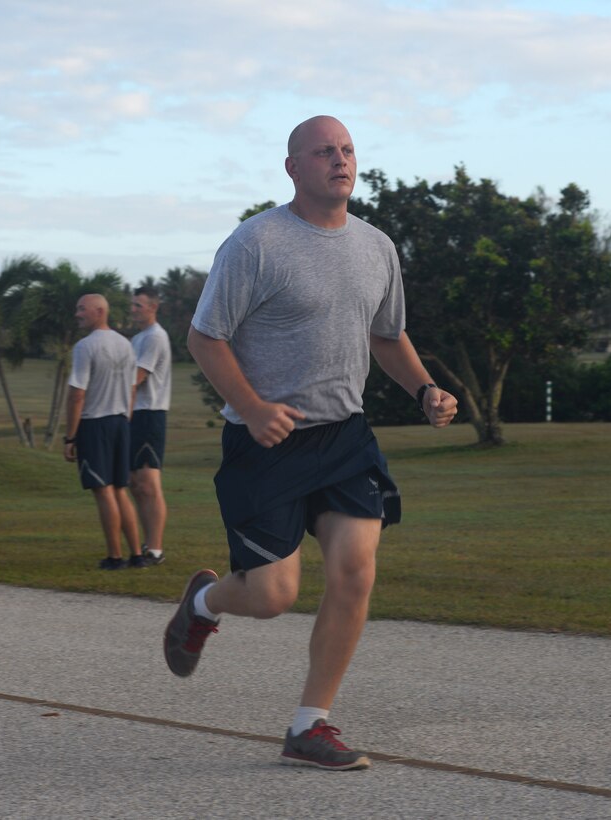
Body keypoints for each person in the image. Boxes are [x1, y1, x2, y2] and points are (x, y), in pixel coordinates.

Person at [164, 116, 458, 771]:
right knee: (271, 596)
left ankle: (310, 724)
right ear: (292, 167)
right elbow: (203, 336)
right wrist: (251, 406)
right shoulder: (255, 243)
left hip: (344, 437)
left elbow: (386, 335)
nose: (339, 159)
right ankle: (203, 603)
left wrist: (423, 389)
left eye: (347, 149)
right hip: (264, 442)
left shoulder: (376, 247)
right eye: (323, 151)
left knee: (354, 571)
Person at [64, 293, 145, 570]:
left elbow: (77, 394)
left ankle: (114, 556)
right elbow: (133, 389)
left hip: (95, 423)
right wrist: (126, 419)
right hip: (121, 422)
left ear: (99, 311)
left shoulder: (85, 347)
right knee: (121, 490)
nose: (77, 313)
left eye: (81, 308)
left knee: (104, 490)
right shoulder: (126, 345)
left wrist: (70, 436)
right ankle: (137, 554)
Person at [129, 285, 172, 565]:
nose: (133, 310)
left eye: (138, 305)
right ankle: (148, 544)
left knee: (148, 483)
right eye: (132, 305)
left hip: (149, 413)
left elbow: (136, 378)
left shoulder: (155, 337)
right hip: (138, 414)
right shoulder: (138, 338)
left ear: (153, 307)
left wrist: (122, 414)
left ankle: (155, 550)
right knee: (136, 484)